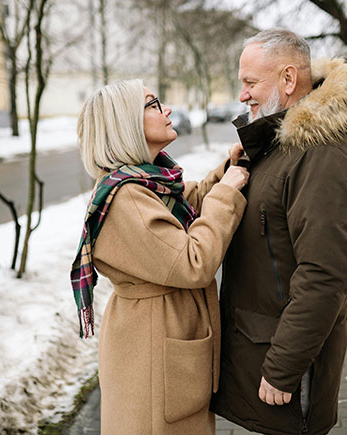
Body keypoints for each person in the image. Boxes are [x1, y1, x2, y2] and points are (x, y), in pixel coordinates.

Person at [70, 79, 249, 434]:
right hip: (153, 345)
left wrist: (226, 172)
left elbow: (189, 204)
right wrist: (226, 194)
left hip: (159, 334)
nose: (166, 110)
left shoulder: (145, 181)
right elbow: (192, 262)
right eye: (153, 105)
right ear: (125, 125)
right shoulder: (126, 199)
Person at [210, 29, 347, 434]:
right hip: (258, 347)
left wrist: (283, 368)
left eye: (250, 83)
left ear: (289, 80)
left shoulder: (322, 156)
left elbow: (324, 276)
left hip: (286, 365)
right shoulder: (281, 145)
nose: (242, 95)